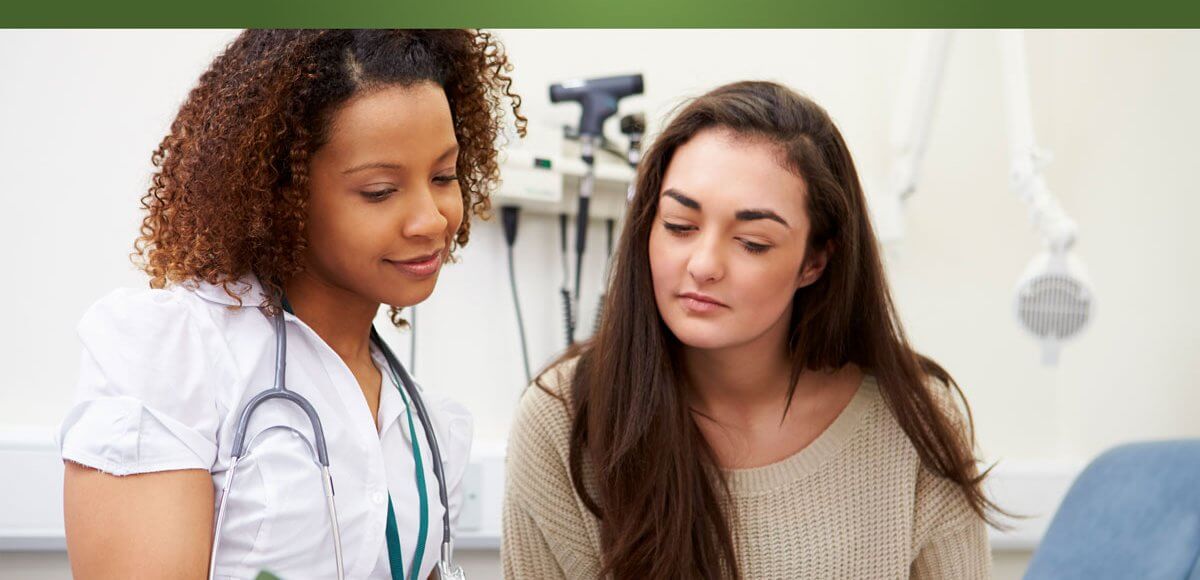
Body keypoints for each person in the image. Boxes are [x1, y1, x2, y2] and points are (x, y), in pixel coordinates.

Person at [58, 29, 524, 579]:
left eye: (444, 176)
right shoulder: (171, 358)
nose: (432, 219)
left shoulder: (427, 427)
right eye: (379, 190)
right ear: (285, 193)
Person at [502, 80, 996, 579]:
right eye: (679, 225)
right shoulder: (561, 421)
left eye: (753, 242)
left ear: (815, 261)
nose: (703, 265)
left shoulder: (914, 424)